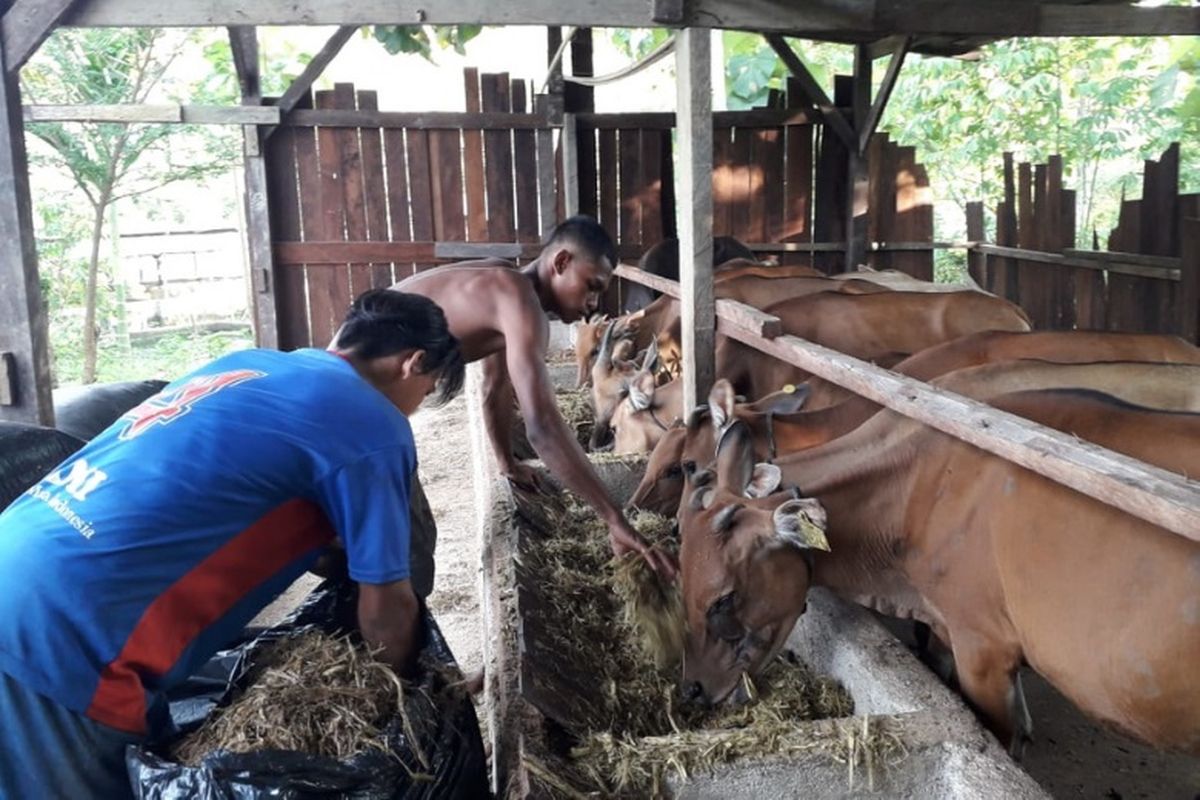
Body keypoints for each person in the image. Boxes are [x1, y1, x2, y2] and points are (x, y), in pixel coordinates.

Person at [0, 289, 464, 799]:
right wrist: (409, 697)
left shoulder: (245, 364)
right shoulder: (374, 424)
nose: (418, 406)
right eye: (428, 389)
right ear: (413, 363)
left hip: (20, 551)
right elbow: (386, 604)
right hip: (65, 636)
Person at [394, 215, 676, 580]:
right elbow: (542, 428)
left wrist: (506, 464)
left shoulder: (506, 290)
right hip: (361, 392)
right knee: (411, 553)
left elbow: (495, 387)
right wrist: (614, 518)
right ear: (561, 263)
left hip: (362, 385)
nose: (592, 304)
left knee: (405, 542)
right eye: (591, 286)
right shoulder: (520, 303)